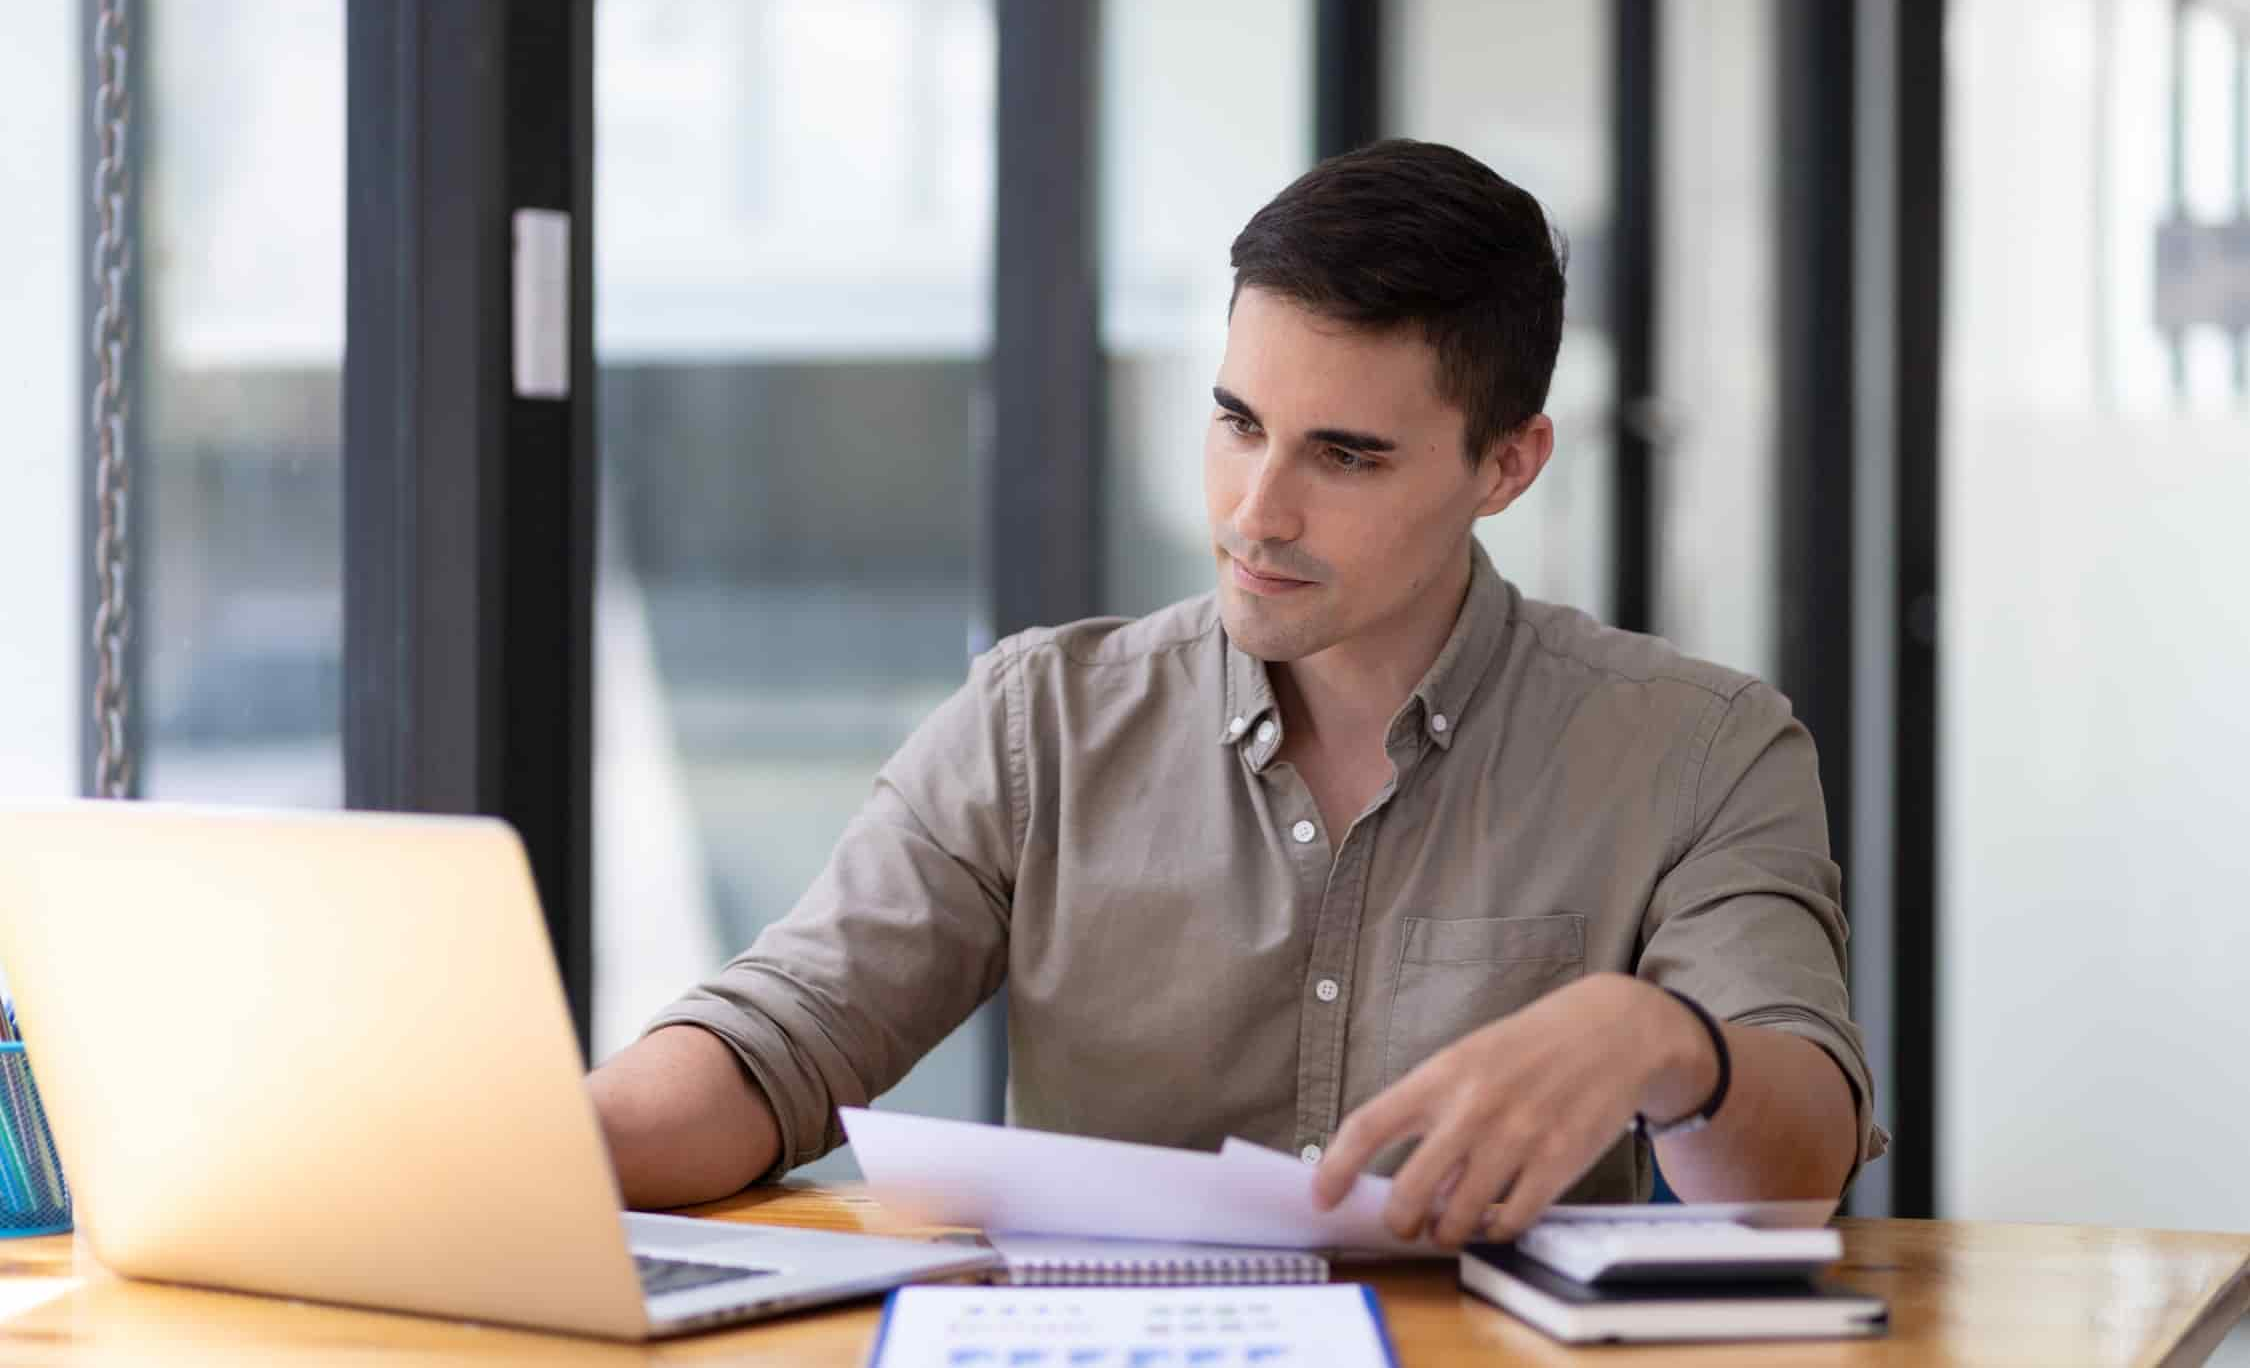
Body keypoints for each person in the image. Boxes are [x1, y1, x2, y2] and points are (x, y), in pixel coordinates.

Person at [588, 139, 1883, 1248]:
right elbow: (785, 1038)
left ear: (1506, 465)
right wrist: (510, 1153)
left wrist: (1668, 1044)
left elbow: (1789, 1183)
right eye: (1236, 422)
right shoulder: (1039, 721)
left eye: (1344, 455)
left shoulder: (1702, 748)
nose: (1255, 513)